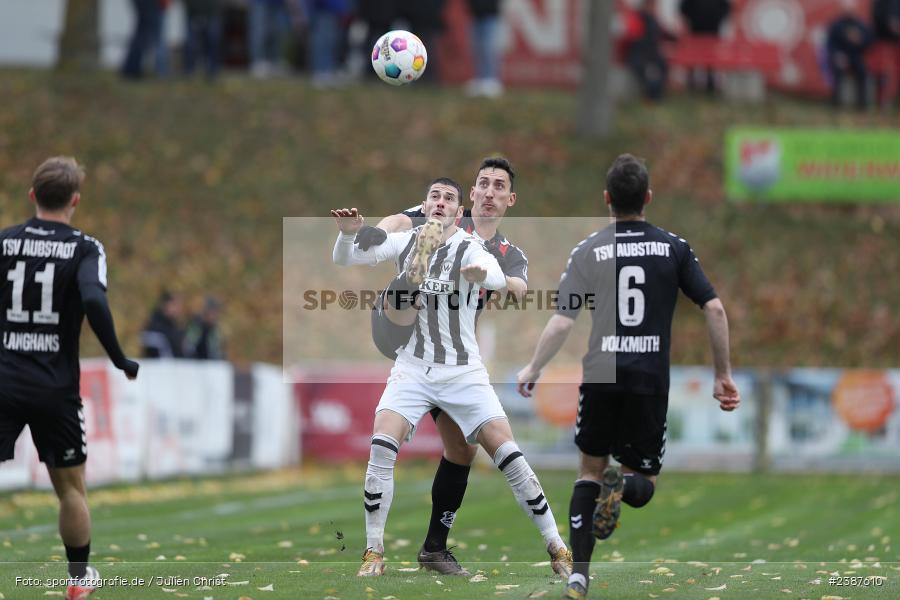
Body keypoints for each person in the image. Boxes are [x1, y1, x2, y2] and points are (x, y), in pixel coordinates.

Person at [515, 154, 740, 600]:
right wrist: (723, 374)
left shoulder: (588, 249)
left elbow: (562, 321)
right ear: (648, 198)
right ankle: (625, 486)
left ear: (606, 200)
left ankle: (578, 575)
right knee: (645, 483)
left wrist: (533, 368)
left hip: (601, 372)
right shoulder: (674, 247)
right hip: (649, 377)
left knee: (588, 471)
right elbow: (713, 308)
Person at [331, 177, 572, 579]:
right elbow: (346, 259)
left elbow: (498, 277)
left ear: (460, 213)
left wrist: (483, 274)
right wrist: (346, 236)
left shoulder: (471, 247)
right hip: (411, 365)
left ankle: (557, 547)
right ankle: (373, 553)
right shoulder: (405, 238)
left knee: (508, 454)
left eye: (449, 199)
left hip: (462, 371)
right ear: (424, 206)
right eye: (435, 197)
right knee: (381, 446)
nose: (441, 203)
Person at [355, 158, 529, 576]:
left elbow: (521, 288)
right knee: (461, 446)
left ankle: (434, 549)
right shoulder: (445, 215)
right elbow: (397, 220)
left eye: (498, 186)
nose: (489, 192)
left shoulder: (504, 252)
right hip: (404, 330)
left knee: (461, 450)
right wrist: (370, 234)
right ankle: (411, 549)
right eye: (482, 184)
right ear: (471, 194)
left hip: (450, 355)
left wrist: (504, 283)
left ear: (510, 199)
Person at [0, 157, 140, 600]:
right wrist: (118, 358)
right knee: (70, 489)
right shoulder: (84, 248)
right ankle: (78, 579)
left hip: (2, 380)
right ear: (75, 200)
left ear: (32, 196)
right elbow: (94, 302)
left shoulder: (2, 243)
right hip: (53, 389)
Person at [621, 0, 677, 101]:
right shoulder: (637, 18)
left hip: (653, 55)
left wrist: (676, 37)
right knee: (646, 74)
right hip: (639, 55)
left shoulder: (654, 20)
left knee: (663, 67)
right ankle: (648, 96)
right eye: (652, 5)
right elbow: (632, 36)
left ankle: (656, 96)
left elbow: (665, 34)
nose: (654, 7)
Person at [825, 0, 874, 110]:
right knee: (838, 72)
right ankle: (836, 105)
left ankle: (862, 107)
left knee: (862, 73)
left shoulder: (860, 24)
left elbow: (869, 42)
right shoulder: (836, 25)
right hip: (840, 56)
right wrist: (837, 55)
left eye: (850, 9)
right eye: (846, 9)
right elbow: (830, 44)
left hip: (855, 57)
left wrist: (860, 40)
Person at [678, 0, 731, 94]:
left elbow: (727, 8)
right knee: (693, 62)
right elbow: (683, 9)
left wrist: (717, 19)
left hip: (711, 34)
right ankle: (692, 86)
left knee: (710, 63)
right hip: (696, 34)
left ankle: (709, 86)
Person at [465, 0, 504, 97]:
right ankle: (480, 79)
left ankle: (491, 79)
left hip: (490, 14)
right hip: (476, 14)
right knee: (478, 48)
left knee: (488, 48)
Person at [183, 0, 225, 80]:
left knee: (213, 43)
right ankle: (189, 72)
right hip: (193, 12)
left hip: (212, 11)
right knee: (191, 45)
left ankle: (213, 72)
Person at [140, 290, 184, 358]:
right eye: (174, 304)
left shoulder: (175, 326)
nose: (178, 308)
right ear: (165, 305)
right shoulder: (154, 326)